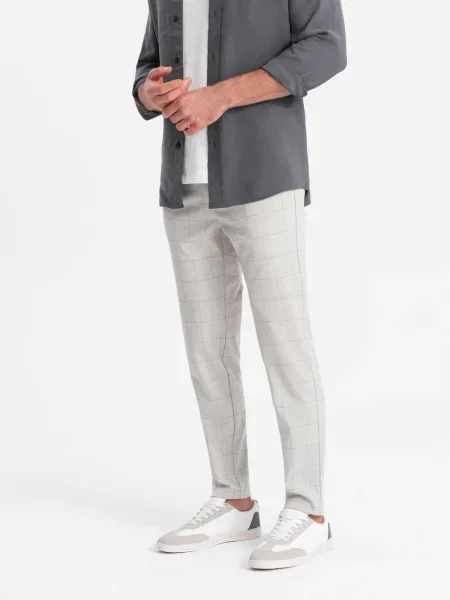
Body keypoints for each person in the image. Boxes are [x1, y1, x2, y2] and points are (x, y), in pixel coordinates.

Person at [132, 0, 346, 570]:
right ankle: (232, 499)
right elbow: (148, 63)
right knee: (208, 352)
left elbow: (326, 47)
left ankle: (309, 511)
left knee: (285, 343)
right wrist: (148, 92)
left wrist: (220, 96)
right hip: (184, 185)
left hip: (263, 175)